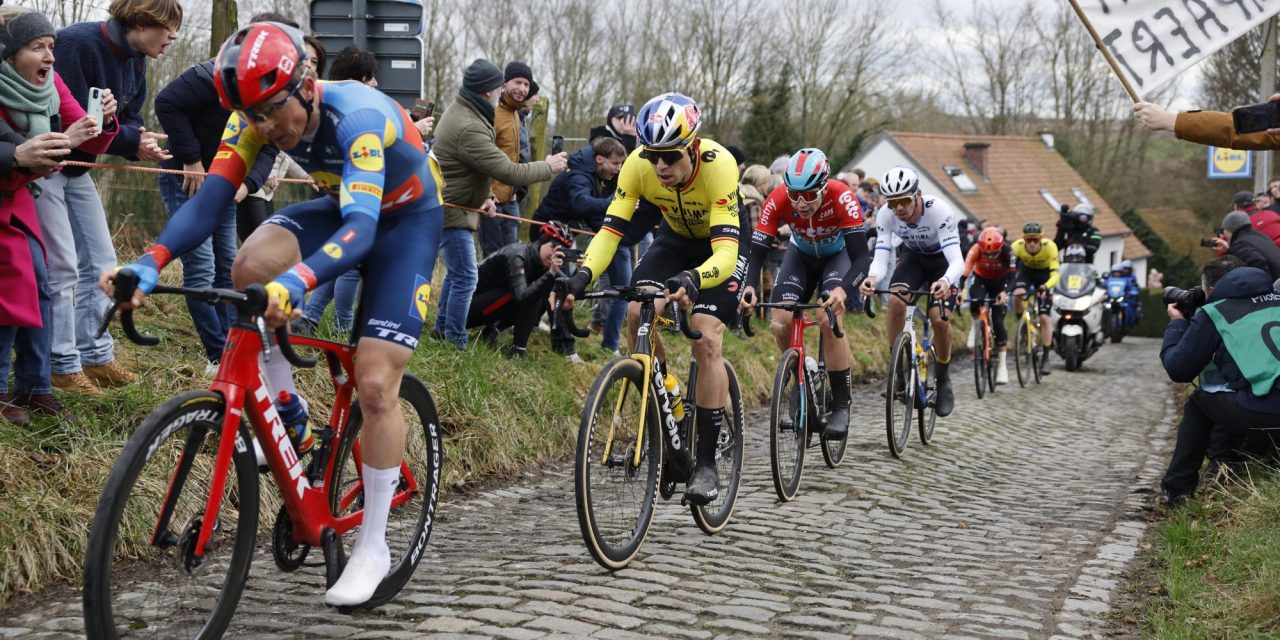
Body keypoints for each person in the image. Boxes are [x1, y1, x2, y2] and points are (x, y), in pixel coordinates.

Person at [99, 23, 443, 607]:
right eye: (249, 115)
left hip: (404, 223)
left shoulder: (356, 119)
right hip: (344, 208)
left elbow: (363, 230)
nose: (263, 127)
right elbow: (210, 200)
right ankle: (288, 412)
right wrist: (151, 261)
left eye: (270, 111)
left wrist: (299, 281)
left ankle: (375, 544)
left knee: (377, 384)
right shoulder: (251, 116)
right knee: (248, 268)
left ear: (306, 86)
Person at [557, 92, 745, 505]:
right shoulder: (639, 166)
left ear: (693, 147)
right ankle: (668, 393)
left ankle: (708, 463)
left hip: (721, 248)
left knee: (707, 339)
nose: (660, 166)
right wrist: (581, 275)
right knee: (635, 311)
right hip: (675, 242)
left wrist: (696, 278)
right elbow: (611, 231)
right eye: (652, 154)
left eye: (671, 156)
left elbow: (727, 255)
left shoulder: (719, 166)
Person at [38, 0, 179, 394]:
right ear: (140, 22)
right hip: (49, 165)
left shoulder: (137, 57)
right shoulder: (76, 44)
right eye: (168, 27)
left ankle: (96, 357)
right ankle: (62, 365)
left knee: (103, 263)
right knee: (63, 268)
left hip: (81, 168)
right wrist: (130, 139)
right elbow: (70, 115)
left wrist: (138, 141)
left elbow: (128, 117)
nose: (172, 38)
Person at [0, 6, 118, 424]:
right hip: (16, 189)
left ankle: (36, 386)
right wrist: (20, 154)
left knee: (41, 283)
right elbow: (17, 148)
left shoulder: (50, 84)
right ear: (9, 52)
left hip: (19, 192)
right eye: (38, 47)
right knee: (18, 287)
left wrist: (102, 120)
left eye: (51, 46)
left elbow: (82, 134)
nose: (51, 56)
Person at [153, 13, 283, 373]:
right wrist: (191, 159)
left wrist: (247, 184)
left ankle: (233, 345)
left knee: (230, 264)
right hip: (188, 178)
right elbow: (166, 103)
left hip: (227, 182)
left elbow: (269, 146)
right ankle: (216, 354)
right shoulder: (211, 74)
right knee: (201, 267)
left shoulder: (272, 87)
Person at [431, 58, 566, 350]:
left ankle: (442, 329)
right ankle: (454, 339)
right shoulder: (470, 125)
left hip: (463, 206)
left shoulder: (471, 112)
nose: (502, 91)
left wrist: (486, 196)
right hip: (453, 212)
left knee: (457, 275)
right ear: (486, 91)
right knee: (466, 277)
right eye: (498, 87)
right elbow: (508, 170)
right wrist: (548, 167)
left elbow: (472, 167)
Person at [740, 148, 869, 437]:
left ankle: (840, 404)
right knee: (781, 319)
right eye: (795, 194)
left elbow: (861, 258)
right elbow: (757, 252)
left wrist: (843, 290)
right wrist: (748, 285)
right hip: (800, 256)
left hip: (837, 257)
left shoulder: (842, 196)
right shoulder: (778, 199)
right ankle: (801, 380)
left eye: (810, 195)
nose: (801, 202)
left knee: (828, 318)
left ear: (824, 187)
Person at [1158, 257, 1280, 505]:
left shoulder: (1215, 312)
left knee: (1201, 402)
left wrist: (1178, 324)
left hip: (1269, 413)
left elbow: (1179, 369)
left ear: (1210, 291)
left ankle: (1177, 490)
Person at [858, 166, 964, 417]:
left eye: (904, 201)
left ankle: (944, 377)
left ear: (918, 194)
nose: (899, 209)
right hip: (914, 258)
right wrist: (872, 277)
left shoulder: (938, 210)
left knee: (939, 320)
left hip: (943, 262)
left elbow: (957, 261)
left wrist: (947, 281)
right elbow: (882, 256)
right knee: (895, 301)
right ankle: (898, 373)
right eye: (893, 203)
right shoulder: (886, 214)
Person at [295, 44, 385, 336]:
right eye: (369, 78)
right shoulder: (340, 112)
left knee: (340, 262)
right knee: (350, 264)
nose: (375, 84)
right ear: (354, 80)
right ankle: (341, 326)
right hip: (347, 197)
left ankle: (310, 317)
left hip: (347, 194)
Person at [533, 136, 632, 356]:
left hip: (566, 230)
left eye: (622, 164)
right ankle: (566, 349)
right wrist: (614, 204)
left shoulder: (594, 173)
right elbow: (582, 203)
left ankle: (536, 323)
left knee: (549, 283)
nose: (619, 168)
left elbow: (589, 213)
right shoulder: (579, 175)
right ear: (599, 159)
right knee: (561, 285)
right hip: (549, 231)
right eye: (615, 163)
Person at [466, 221, 573, 357]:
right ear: (541, 242)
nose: (554, 255)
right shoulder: (518, 255)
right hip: (464, 310)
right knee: (534, 291)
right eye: (553, 247)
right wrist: (550, 274)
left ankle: (493, 333)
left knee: (542, 287)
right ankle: (517, 352)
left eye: (560, 252)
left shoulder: (541, 260)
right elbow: (522, 297)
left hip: (485, 305)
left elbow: (569, 285)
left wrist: (583, 272)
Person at [962, 227, 1016, 384]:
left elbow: (1013, 275)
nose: (990, 256)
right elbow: (965, 272)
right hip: (981, 279)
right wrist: (959, 291)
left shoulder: (1008, 250)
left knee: (998, 322)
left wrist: (1006, 292)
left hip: (1001, 282)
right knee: (975, 300)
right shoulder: (975, 249)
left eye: (994, 254)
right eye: (987, 254)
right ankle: (975, 327)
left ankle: (1002, 367)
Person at [1009, 221, 1060, 376]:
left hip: (1045, 276)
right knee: (1017, 294)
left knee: (1045, 318)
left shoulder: (1049, 247)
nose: (1031, 243)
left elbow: (1056, 274)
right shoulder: (1016, 246)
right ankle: (1021, 324)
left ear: (1041, 238)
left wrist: (1046, 286)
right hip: (1027, 273)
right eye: (1028, 239)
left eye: (1035, 239)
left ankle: (1045, 357)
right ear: (1023, 239)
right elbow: (1010, 270)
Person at [1216, 210, 1280, 280]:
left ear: (1230, 229)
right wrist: (1229, 250)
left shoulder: (1240, 244)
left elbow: (1257, 264)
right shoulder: (1258, 235)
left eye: (1224, 229)